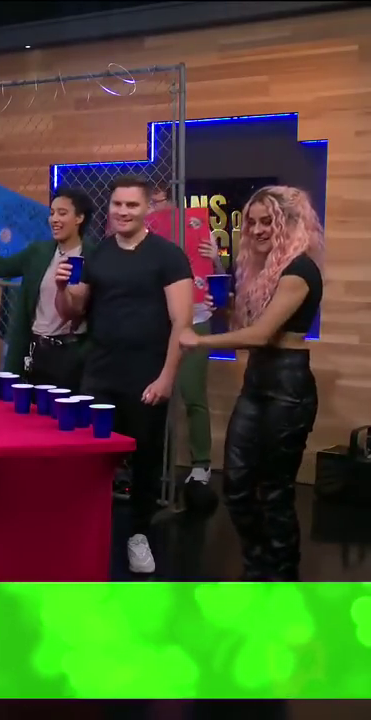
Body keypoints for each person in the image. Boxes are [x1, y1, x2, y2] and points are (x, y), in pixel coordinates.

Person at [179, 185, 322, 581]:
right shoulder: (263, 271)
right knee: (237, 485)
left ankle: (282, 580)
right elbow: (250, 326)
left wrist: (200, 340)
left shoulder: (300, 270)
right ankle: (258, 569)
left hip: (288, 385)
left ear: (289, 223)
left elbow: (260, 335)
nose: (257, 230)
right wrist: (225, 304)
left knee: (275, 492)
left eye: (267, 221)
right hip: (258, 381)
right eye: (252, 222)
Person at [55, 175, 194, 575]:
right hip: (100, 373)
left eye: (132, 205)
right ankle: (88, 533)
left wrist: (166, 378)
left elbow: (182, 323)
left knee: (146, 458)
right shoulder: (98, 254)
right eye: (117, 204)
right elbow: (74, 312)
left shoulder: (168, 256)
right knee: (91, 456)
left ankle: (138, 536)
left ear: (147, 208)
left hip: (146, 374)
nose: (123, 211)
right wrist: (63, 289)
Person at [0, 187, 95, 391]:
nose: (54, 219)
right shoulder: (38, 253)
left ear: (79, 218)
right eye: (52, 213)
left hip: (72, 354)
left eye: (62, 213)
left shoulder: (94, 256)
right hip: (37, 350)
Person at [151, 183, 226, 510]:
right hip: (157, 322)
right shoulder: (144, 235)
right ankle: (153, 462)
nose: (155, 207)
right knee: (153, 394)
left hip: (195, 320)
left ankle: (201, 464)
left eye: (158, 200)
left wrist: (216, 259)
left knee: (193, 394)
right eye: (150, 202)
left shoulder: (196, 228)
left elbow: (219, 279)